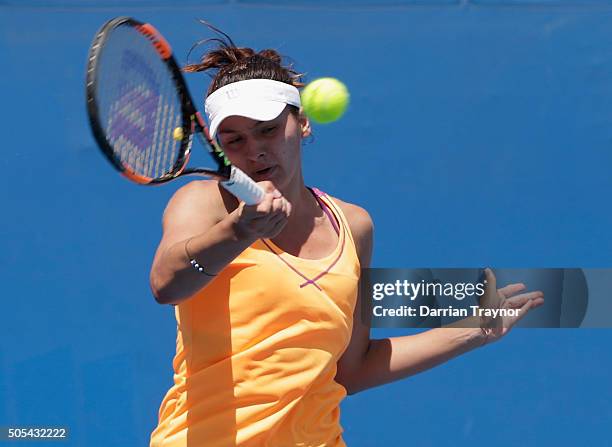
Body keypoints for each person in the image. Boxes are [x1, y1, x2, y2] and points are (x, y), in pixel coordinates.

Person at [148, 28, 545, 447]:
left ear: (300, 123)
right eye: (236, 140)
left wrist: (474, 330)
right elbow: (167, 283)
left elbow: (350, 370)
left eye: (267, 130)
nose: (255, 150)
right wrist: (238, 230)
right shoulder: (205, 203)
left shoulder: (353, 225)